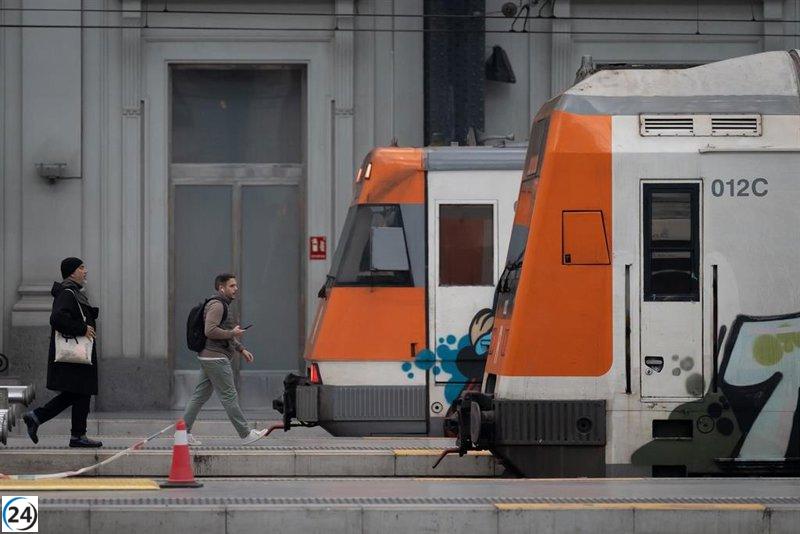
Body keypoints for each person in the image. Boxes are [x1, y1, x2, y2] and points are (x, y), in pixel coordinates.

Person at [23, 257, 103, 447]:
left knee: (81, 392)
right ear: (72, 272)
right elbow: (57, 318)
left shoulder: (75, 293)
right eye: (82, 267)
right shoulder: (68, 293)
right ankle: (40, 418)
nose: (86, 271)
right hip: (74, 355)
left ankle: (76, 434)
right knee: (78, 392)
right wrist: (82, 328)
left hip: (79, 355)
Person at [182, 273, 263, 445]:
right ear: (221, 288)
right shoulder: (218, 306)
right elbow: (210, 331)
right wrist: (233, 333)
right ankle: (245, 434)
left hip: (209, 356)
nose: (236, 289)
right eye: (232, 286)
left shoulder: (221, 305)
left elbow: (223, 332)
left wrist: (240, 348)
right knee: (229, 397)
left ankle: (183, 433)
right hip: (216, 358)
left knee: (199, 396)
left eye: (236, 285)